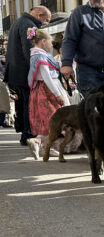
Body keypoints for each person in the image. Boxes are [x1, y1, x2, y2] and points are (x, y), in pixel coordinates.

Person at [6, 6, 51, 145]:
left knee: (23, 104)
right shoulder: (29, 26)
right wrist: (36, 71)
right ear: (39, 15)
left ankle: (25, 133)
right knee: (28, 105)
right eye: (46, 20)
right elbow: (29, 51)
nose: (46, 23)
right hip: (23, 74)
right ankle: (28, 134)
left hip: (15, 73)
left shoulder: (18, 22)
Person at [25, 28, 70, 160]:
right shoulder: (41, 56)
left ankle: (46, 147)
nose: (52, 45)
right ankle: (37, 142)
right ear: (43, 41)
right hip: (47, 91)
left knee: (46, 120)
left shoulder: (36, 54)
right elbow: (47, 77)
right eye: (50, 42)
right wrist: (58, 94)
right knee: (55, 120)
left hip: (41, 90)